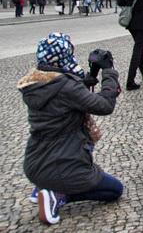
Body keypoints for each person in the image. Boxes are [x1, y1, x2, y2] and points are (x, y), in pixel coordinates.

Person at [18, 32, 122, 225]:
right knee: (115, 190)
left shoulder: (37, 84)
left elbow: (66, 95)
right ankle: (57, 195)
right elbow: (105, 106)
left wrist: (86, 80)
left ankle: (42, 187)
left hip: (34, 164)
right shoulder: (66, 87)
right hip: (64, 166)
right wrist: (109, 71)